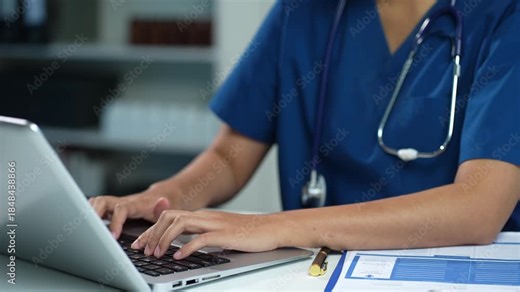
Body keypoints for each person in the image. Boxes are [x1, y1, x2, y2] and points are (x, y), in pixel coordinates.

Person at [89, 0, 520, 261]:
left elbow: (477, 208)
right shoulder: (305, 11)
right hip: (310, 270)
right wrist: (165, 198)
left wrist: (275, 227)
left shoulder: (505, 16)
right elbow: (230, 155)